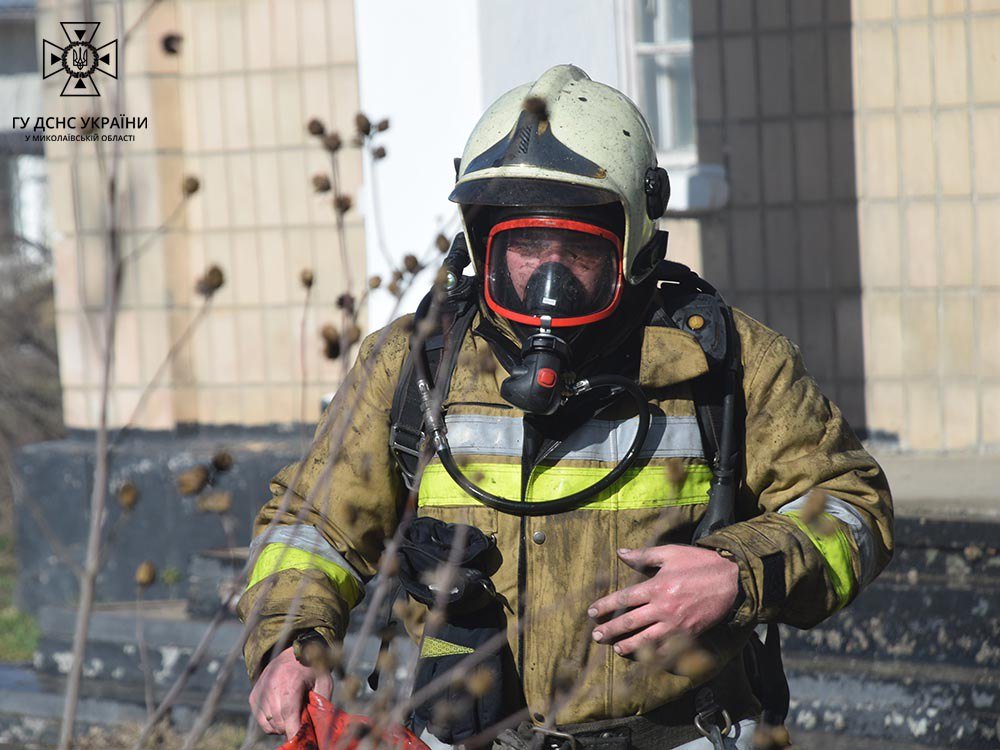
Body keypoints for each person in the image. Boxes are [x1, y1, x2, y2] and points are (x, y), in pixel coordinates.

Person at [238, 64, 893, 750]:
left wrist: (737, 573)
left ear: (633, 241)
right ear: (483, 244)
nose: (547, 278)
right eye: (524, 246)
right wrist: (291, 643)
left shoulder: (727, 363)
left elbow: (854, 506)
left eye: (578, 248)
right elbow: (312, 527)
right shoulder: (413, 364)